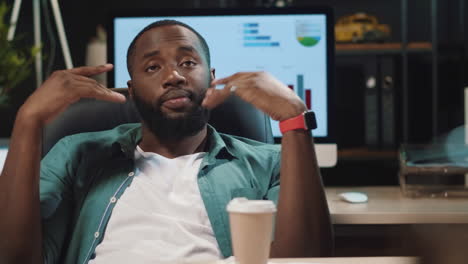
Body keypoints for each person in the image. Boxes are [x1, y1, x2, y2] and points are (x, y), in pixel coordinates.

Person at [0, 20, 333, 264]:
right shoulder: (78, 153)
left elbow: (305, 259)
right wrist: (28, 121)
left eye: (188, 62)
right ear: (131, 90)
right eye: (152, 66)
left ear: (212, 78)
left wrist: (295, 119)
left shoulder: (269, 161)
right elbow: (12, 256)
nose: (173, 75)